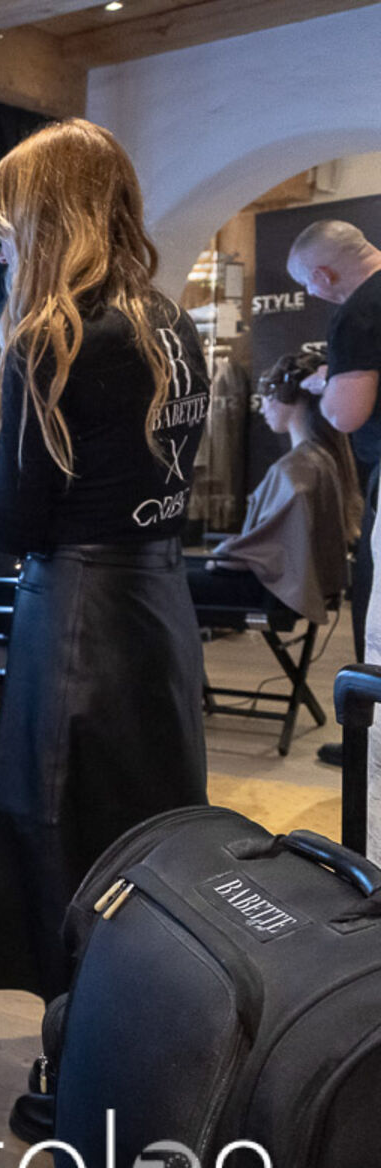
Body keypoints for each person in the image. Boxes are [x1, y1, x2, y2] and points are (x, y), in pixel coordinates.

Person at [0, 118, 211, 1000]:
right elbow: (114, 460)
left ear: (45, 223)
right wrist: (10, 407)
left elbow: (16, 528)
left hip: (78, 630)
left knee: (66, 836)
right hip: (158, 612)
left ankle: (73, 1040)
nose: (1, 255)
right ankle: (138, 1022)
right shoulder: (169, 323)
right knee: (147, 827)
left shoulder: (50, 340)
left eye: (7, 234)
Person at [287, 223, 381, 769]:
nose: (311, 292)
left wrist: (328, 391)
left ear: (322, 275)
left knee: (376, 616)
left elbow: (347, 414)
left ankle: (371, 746)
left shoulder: (359, 309)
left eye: (307, 283)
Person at [188, 350, 360, 625]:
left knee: (166, 583)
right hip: (284, 589)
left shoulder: (297, 470)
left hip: (268, 591)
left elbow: (267, 556)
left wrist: (225, 554)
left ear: (290, 398)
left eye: (268, 395)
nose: (263, 407)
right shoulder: (322, 459)